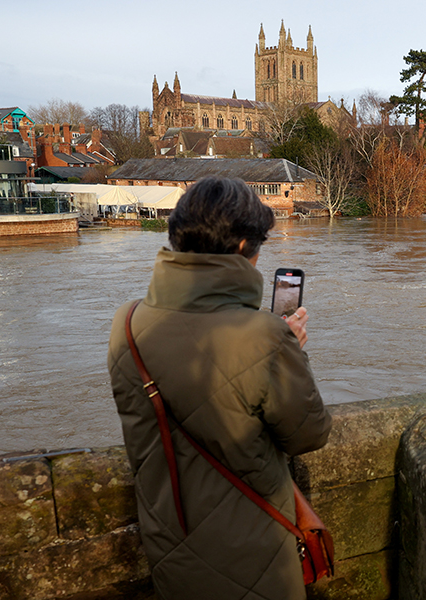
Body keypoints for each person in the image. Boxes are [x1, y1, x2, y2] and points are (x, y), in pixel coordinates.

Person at [108, 176, 331, 600]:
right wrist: (291, 349)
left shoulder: (127, 324)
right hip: (256, 553)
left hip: (169, 546)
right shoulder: (265, 336)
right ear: (246, 249)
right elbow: (309, 434)